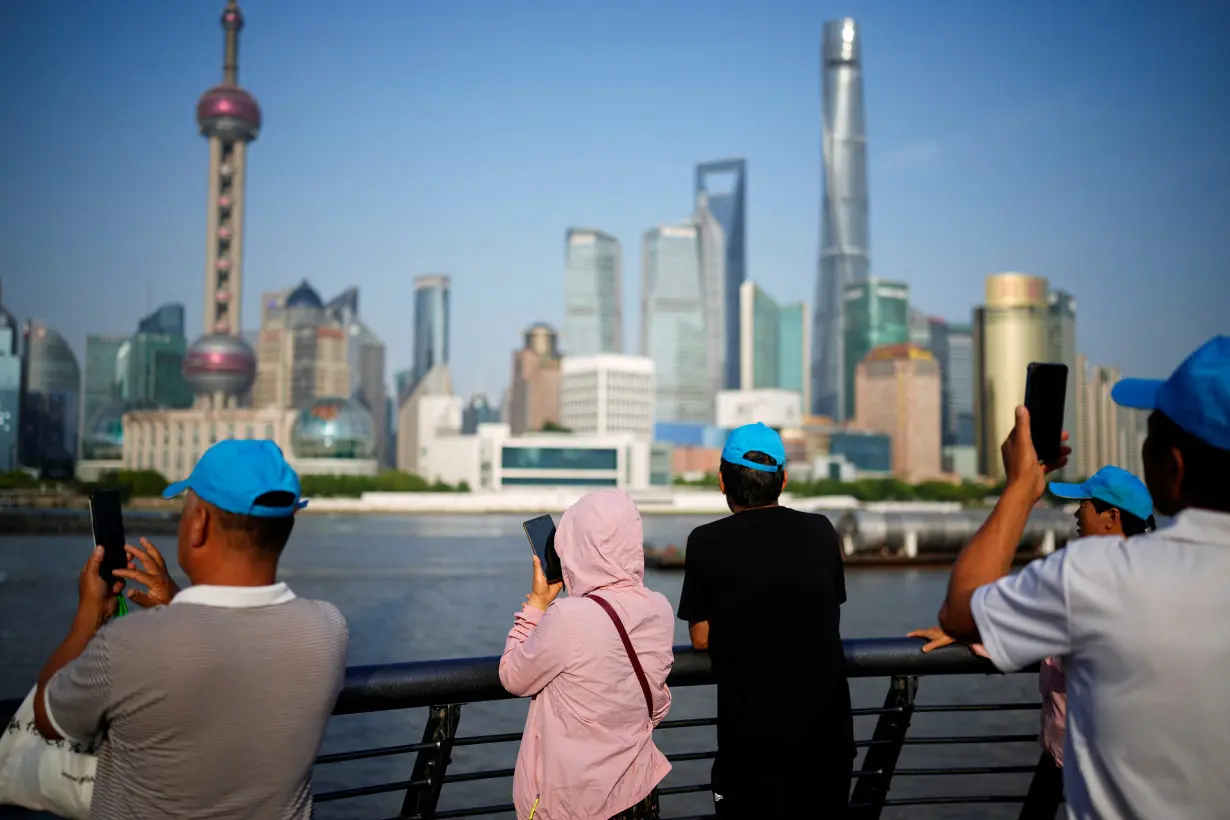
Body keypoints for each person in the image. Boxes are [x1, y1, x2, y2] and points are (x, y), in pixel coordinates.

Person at [937, 335, 1230, 819]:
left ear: (1172, 468)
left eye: (1149, 438)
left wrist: (1020, 488)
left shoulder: (1095, 576)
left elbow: (963, 607)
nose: (1078, 514)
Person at [33, 439, 349, 819]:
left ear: (198, 524)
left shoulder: (133, 643)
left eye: (185, 511)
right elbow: (238, 646)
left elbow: (50, 719)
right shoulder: (328, 629)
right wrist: (178, 602)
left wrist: (87, 615)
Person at [909, 465, 1155, 813]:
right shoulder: (1155, 578)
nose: (1076, 514)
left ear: (1110, 516)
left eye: (1084, 504)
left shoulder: (1080, 578)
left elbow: (1006, 620)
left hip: (1082, 756)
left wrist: (965, 628)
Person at [677, 422, 852, 818]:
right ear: (784, 479)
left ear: (723, 481)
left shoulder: (705, 541)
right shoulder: (821, 531)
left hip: (751, 749)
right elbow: (829, 607)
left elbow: (701, 637)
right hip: (827, 742)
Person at [499, 489, 674, 820]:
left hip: (575, 806)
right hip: (638, 795)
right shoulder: (660, 608)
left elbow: (512, 676)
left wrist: (537, 605)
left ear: (576, 545)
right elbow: (658, 704)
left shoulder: (568, 617)